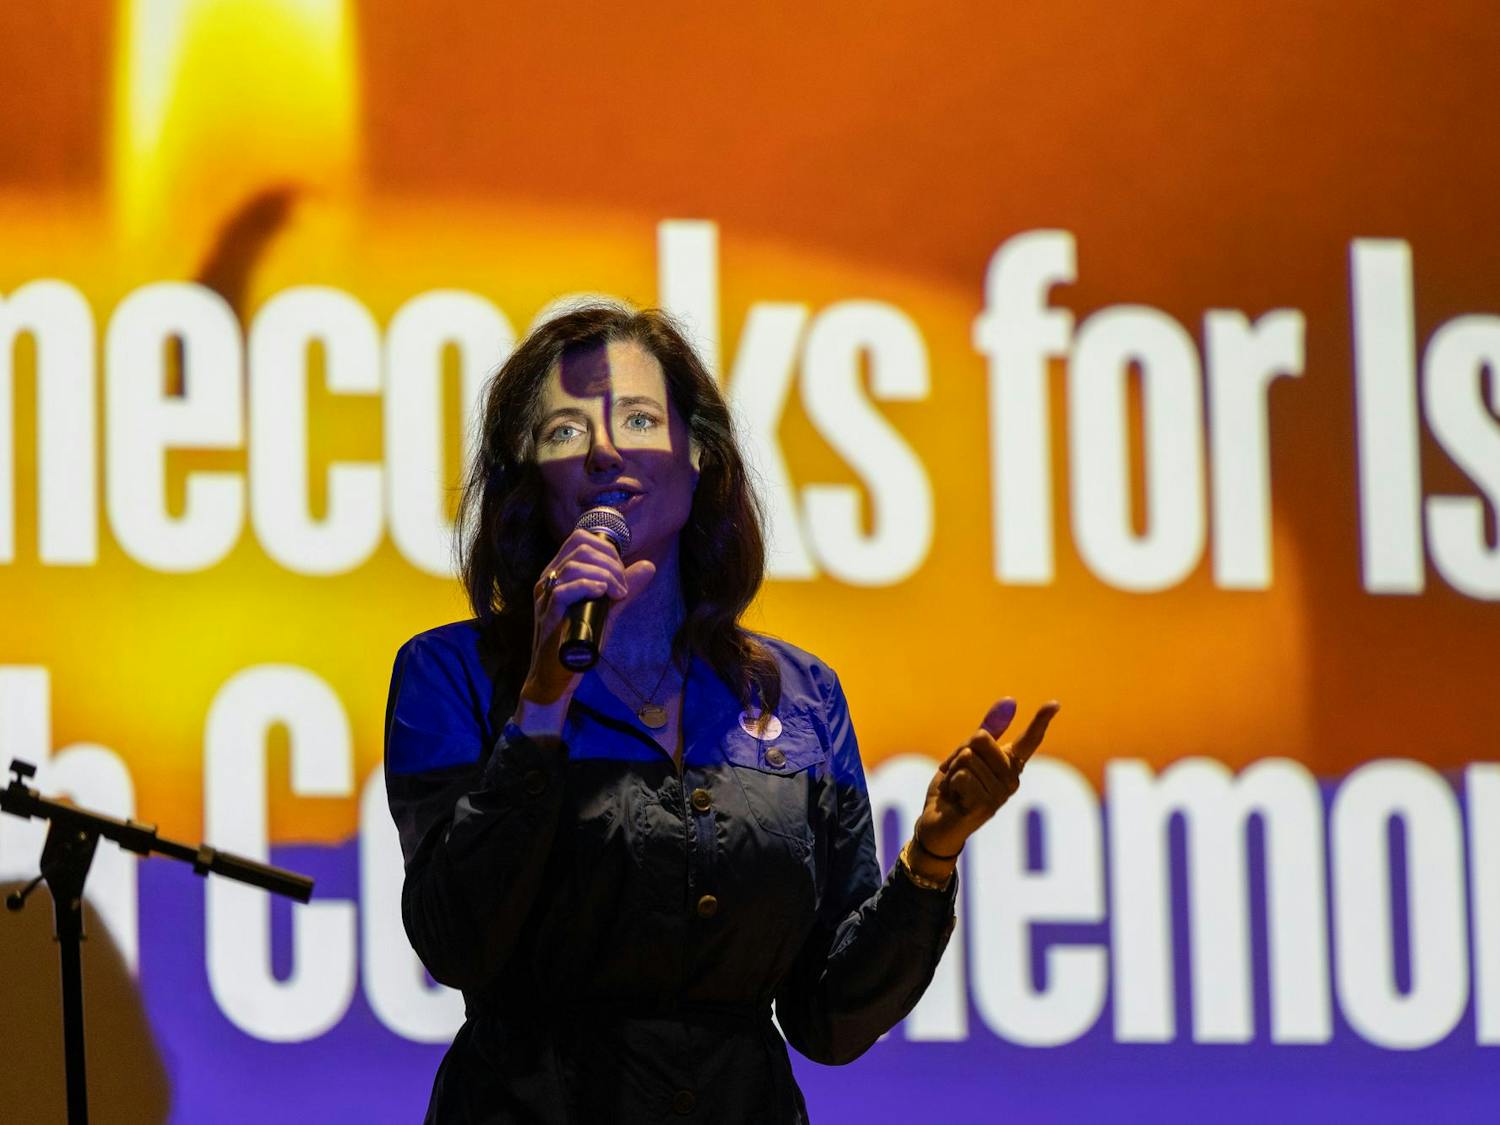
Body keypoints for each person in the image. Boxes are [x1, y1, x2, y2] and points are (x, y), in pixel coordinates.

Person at [382, 302, 1060, 1123]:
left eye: (637, 417)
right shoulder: (451, 672)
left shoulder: (800, 694)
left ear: (698, 452)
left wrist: (932, 855)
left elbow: (829, 1016)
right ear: (528, 476)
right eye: (564, 432)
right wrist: (543, 700)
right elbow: (457, 937)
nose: (604, 449)